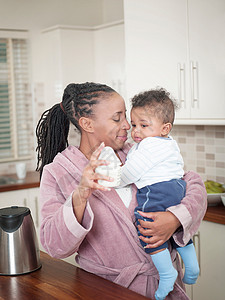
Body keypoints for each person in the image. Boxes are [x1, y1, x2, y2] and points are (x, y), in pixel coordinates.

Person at [36, 82, 207, 300]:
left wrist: (175, 219)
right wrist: (80, 195)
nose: (127, 125)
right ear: (87, 124)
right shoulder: (60, 172)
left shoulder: (137, 151)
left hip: (167, 287)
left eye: (126, 116)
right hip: (110, 290)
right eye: (117, 118)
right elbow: (54, 246)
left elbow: (191, 183)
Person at [112, 88, 200, 300]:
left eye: (143, 125)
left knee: (147, 227)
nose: (136, 131)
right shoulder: (168, 142)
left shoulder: (149, 146)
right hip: (177, 188)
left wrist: (114, 179)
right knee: (176, 229)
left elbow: (130, 173)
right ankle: (191, 264)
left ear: (165, 127)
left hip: (156, 190)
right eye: (134, 125)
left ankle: (167, 273)